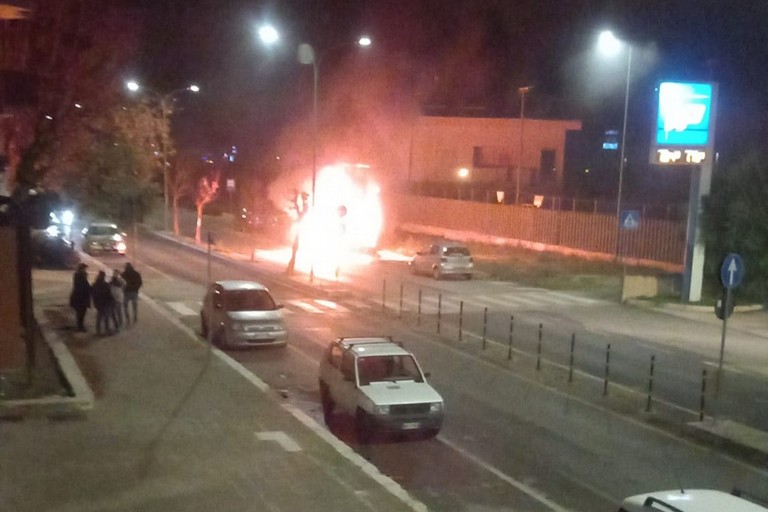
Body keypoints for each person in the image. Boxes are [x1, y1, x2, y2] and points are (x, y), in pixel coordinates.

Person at [91, 270, 115, 335]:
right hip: (105, 303)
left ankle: (98, 331)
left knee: (99, 317)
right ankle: (107, 330)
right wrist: (112, 301)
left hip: (98, 303)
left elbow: (92, 293)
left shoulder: (94, 284)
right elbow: (109, 294)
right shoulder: (105, 285)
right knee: (106, 317)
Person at [69, 263, 91, 332]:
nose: (86, 271)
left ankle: (80, 325)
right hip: (81, 298)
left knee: (79, 313)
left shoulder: (77, 275)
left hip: (78, 298)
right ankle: (80, 326)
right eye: (85, 269)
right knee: (81, 313)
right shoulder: (81, 277)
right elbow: (85, 287)